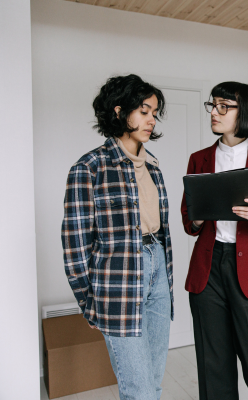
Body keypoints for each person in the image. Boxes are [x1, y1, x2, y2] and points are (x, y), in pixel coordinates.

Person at [61, 74, 174, 400]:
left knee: (153, 383)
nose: (151, 119)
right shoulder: (89, 167)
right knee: (138, 388)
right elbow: (75, 245)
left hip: (157, 268)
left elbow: (160, 227)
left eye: (154, 112)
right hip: (118, 279)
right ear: (118, 111)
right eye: (143, 110)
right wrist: (89, 303)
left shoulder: (153, 166)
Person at [180, 81, 248, 400]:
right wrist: (199, 215)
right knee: (213, 367)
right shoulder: (199, 159)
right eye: (212, 105)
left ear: (244, 113)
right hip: (208, 269)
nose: (214, 113)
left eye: (223, 106)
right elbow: (189, 219)